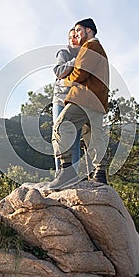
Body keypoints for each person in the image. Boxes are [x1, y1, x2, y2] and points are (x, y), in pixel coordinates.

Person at [47, 18, 109, 190]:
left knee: (60, 127)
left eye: (79, 31)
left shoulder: (90, 47)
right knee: (94, 137)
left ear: (88, 31)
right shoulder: (100, 49)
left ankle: (66, 172)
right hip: (98, 100)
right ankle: (100, 174)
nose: (76, 34)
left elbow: (80, 73)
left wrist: (66, 81)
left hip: (84, 98)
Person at [52, 28, 81, 172]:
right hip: (61, 98)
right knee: (59, 136)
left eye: (76, 36)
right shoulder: (63, 53)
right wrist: (77, 61)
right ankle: (60, 175)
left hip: (77, 101)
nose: (74, 39)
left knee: (74, 141)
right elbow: (59, 71)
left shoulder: (87, 55)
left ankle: (73, 177)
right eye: (71, 37)